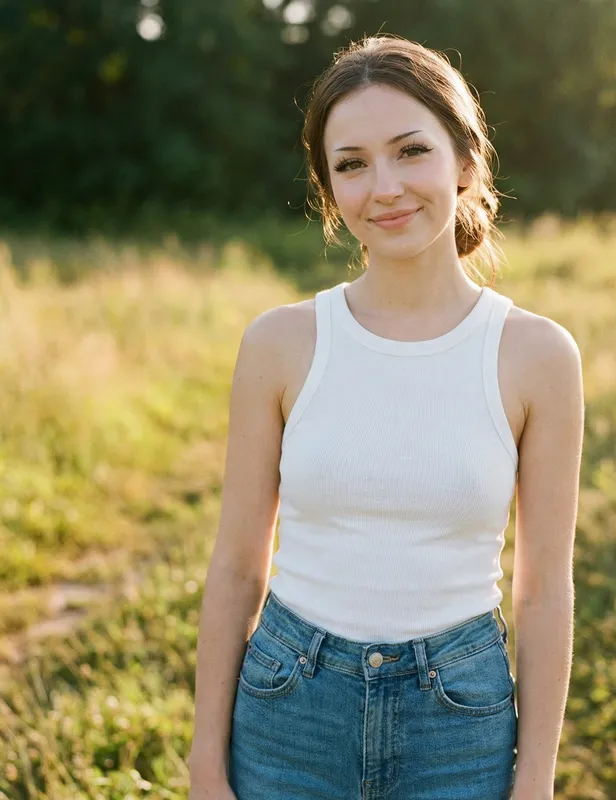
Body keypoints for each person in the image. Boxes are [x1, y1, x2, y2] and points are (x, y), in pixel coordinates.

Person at [188, 33, 583, 800]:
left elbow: (543, 590)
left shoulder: (537, 355)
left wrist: (535, 778)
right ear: (328, 188)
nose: (386, 187)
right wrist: (207, 761)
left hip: (458, 715)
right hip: (287, 703)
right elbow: (238, 564)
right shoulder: (281, 343)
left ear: (465, 160)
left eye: (410, 150)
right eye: (352, 164)